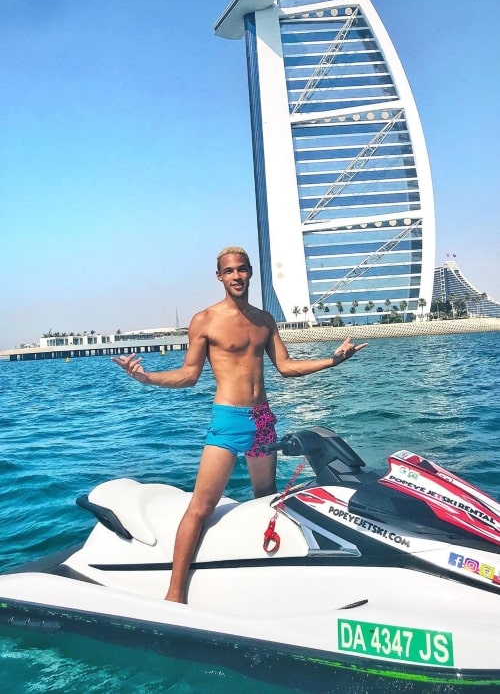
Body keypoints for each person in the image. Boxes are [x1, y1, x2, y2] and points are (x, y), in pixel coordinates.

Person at [112, 246, 366, 603]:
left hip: (262, 419)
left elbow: (286, 367)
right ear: (219, 277)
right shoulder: (205, 320)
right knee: (201, 507)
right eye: (228, 271)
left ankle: (264, 575)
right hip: (228, 420)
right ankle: (174, 593)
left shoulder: (264, 320)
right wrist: (147, 378)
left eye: (242, 270)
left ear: (250, 273)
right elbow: (189, 375)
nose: (236, 276)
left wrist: (332, 361)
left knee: (267, 498)